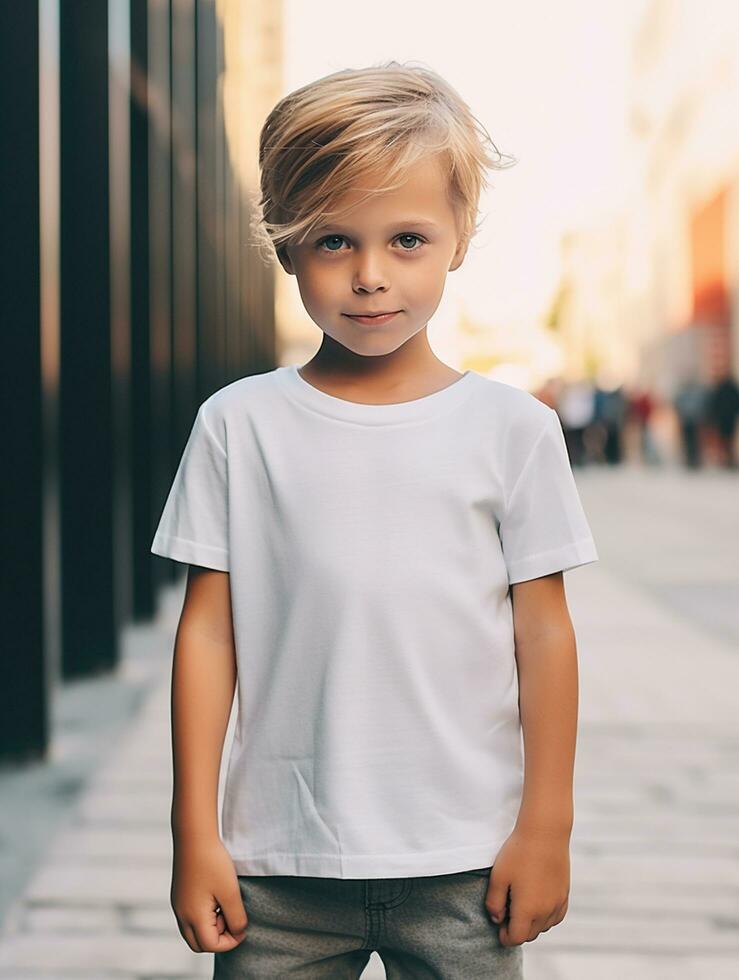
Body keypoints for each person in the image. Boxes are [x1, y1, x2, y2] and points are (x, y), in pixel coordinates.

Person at [151, 61, 599, 979]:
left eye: (405, 239)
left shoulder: (514, 431)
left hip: (464, 865)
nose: (368, 276)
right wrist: (193, 831)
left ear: (459, 238)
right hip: (275, 868)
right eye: (330, 243)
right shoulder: (239, 425)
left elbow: (544, 634)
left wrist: (545, 825)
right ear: (282, 246)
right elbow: (206, 636)